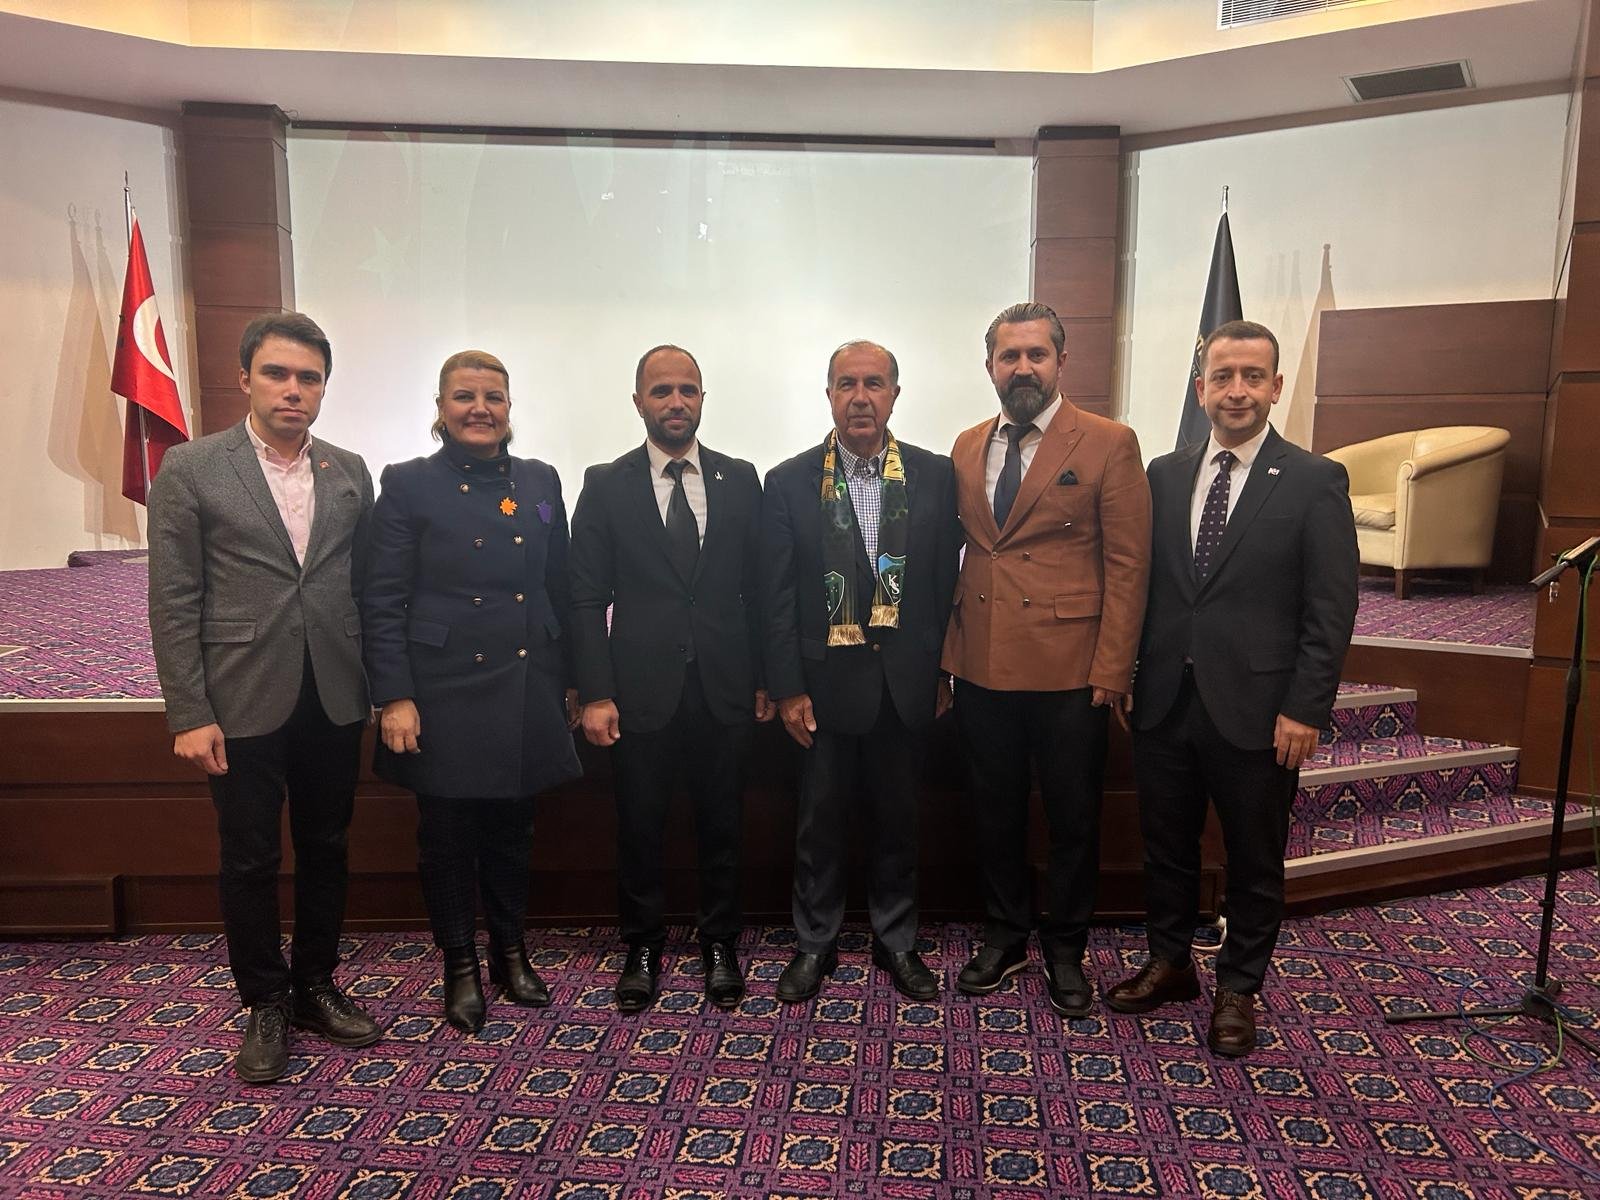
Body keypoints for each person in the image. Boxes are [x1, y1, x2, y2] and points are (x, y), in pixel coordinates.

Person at [1106, 319, 1357, 1057]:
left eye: (1252, 376)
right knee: (1166, 846)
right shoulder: (1164, 474)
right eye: (1223, 376)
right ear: (1201, 389)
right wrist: (1129, 673)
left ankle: (1239, 988)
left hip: (1260, 709)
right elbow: (1147, 587)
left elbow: (1330, 608)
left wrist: (1306, 707)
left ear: (1276, 387)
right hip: (1164, 701)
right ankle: (1170, 962)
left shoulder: (1314, 479)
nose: (1237, 390)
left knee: (1253, 858)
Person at [148, 311, 380, 1083]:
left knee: (327, 847)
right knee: (250, 856)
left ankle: (315, 984)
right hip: (240, 693)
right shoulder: (191, 467)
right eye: (277, 373)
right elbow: (173, 599)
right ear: (245, 377)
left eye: (309, 378)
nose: (293, 390)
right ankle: (265, 1001)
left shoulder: (349, 470)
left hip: (334, 691)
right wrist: (189, 711)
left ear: (323, 388)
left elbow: (361, 584)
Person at [362, 350, 582, 1034]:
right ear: (441, 408)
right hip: (444, 685)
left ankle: (511, 953)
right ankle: (459, 964)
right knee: (449, 836)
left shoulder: (540, 478)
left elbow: (560, 585)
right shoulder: (408, 483)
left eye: (493, 397)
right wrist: (394, 695)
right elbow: (382, 597)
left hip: (524, 675)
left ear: (509, 408)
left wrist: (573, 678)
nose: (479, 409)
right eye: (464, 396)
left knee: (515, 829)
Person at [943, 302, 1151, 1017]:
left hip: (1071, 670)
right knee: (994, 811)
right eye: (1010, 356)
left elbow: (1129, 565)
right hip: (981, 664)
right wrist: (945, 659)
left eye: (1036, 354)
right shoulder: (967, 445)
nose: (1023, 367)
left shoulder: (1109, 442)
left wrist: (1113, 668)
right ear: (990, 367)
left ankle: (1066, 948)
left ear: (1062, 361)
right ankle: (1004, 935)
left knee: (1072, 820)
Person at [569, 345, 771, 1014]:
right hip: (637, 691)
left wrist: (765, 679)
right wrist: (595, 692)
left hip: (724, 686)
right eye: (662, 391)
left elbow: (760, 590)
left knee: (723, 824)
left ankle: (720, 943)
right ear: (639, 402)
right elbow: (584, 597)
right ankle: (642, 946)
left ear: (703, 399)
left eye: (687, 389)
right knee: (640, 826)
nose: (676, 402)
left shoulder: (741, 479)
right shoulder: (606, 483)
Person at [761, 340, 960, 1003]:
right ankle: (814, 942)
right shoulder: (789, 481)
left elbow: (942, 584)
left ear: (895, 395)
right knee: (818, 825)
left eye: (874, 383)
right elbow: (777, 596)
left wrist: (941, 672)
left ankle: (896, 939)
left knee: (899, 821)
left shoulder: (935, 475)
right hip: (822, 689)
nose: (860, 397)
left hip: (905, 683)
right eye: (846, 384)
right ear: (828, 396)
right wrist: (788, 687)